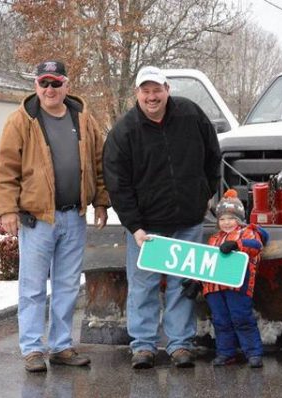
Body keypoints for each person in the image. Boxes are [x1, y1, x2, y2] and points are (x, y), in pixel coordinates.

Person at [0, 60, 110, 372]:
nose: (49, 89)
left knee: (68, 285)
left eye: (56, 83)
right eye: (44, 83)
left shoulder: (83, 118)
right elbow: (5, 169)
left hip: (74, 217)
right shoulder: (21, 120)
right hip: (37, 219)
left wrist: (100, 201)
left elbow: (99, 163)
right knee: (32, 286)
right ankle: (32, 349)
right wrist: (7, 210)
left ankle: (61, 346)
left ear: (66, 85)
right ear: (36, 86)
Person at [103, 66, 221, 369]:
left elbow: (213, 154)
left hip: (188, 220)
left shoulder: (191, 115)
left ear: (167, 89)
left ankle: (180, 344)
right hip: (148, 227)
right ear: (137, 94)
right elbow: (118, 184)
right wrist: (135, 226)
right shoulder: (124, 132)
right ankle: (143, 345)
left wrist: (206, 191)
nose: (152, 96)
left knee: (183, 284)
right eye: (146, 91)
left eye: (157, 90)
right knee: (144, 284)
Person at [183, 189, 268, 368]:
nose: (226, 222)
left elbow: (256, 246)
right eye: (222, 219)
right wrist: (196, 282)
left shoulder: (247, 233)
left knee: (242, 318)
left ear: (239, 219)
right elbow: (207, 264)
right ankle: (226, 353)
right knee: (220, 321)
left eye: (231, 218)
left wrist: (237, 245)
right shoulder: (214, 239)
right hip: (214, 288)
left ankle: (253, 352)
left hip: (237, 286)